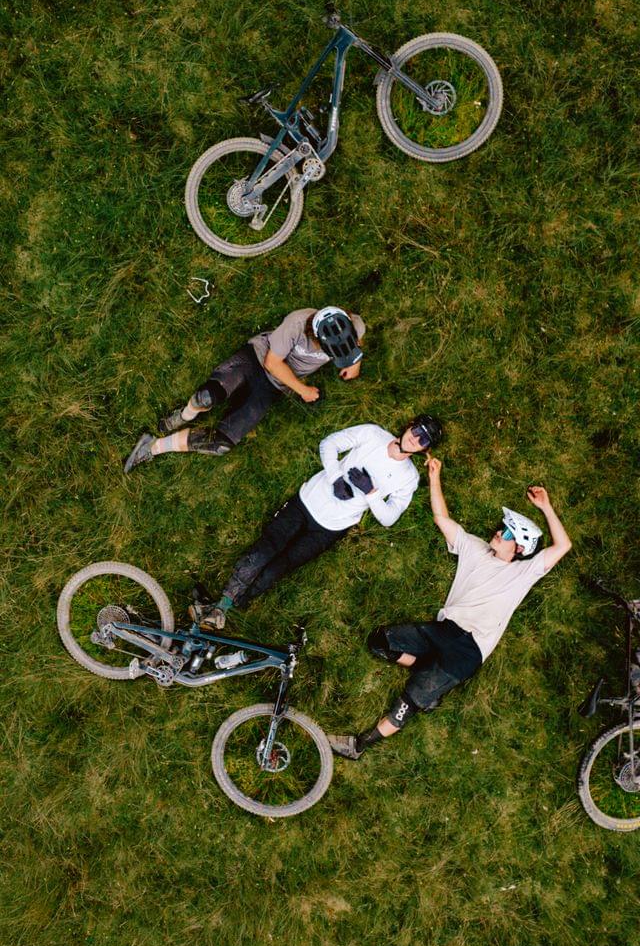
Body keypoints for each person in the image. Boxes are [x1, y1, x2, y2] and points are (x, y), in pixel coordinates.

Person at [328, 459, 572, 760]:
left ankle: (358, 746)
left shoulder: (523, 573)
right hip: (444, 630)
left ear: (520, 548)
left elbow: (563, 546)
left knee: (408, 702)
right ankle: (425, 669)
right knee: (380, 641)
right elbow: (441, 518)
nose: (499, 533)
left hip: (467, 650)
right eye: (502, 528)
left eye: (508, 534)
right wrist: (434, 476)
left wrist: (546, 508)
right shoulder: (475, 548)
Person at [201, 414, 444, 629]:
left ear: (425, 449)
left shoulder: (408, 478)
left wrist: (370, 492)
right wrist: (336, 478)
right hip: (306, 501)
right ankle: (224, 600)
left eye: (423, 440)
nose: (415, 439)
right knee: (265, 549)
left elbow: (389, 518)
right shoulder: (373, 434)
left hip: (331, 528)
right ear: (409, 425)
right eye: (416, 431)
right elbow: (329, 443)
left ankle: (231, 607)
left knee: (281, 566)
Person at [123, 305, 366, 473]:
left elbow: (358, 340)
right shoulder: (297, 323)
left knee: (221, 444)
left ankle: (152, 447)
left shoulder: (355, 326)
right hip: (256, 360)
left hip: (272, 388)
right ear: (314, 335)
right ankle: (183, 416)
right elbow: (272, 363)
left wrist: (354, 361)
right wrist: (302, 390)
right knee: (206, 397)